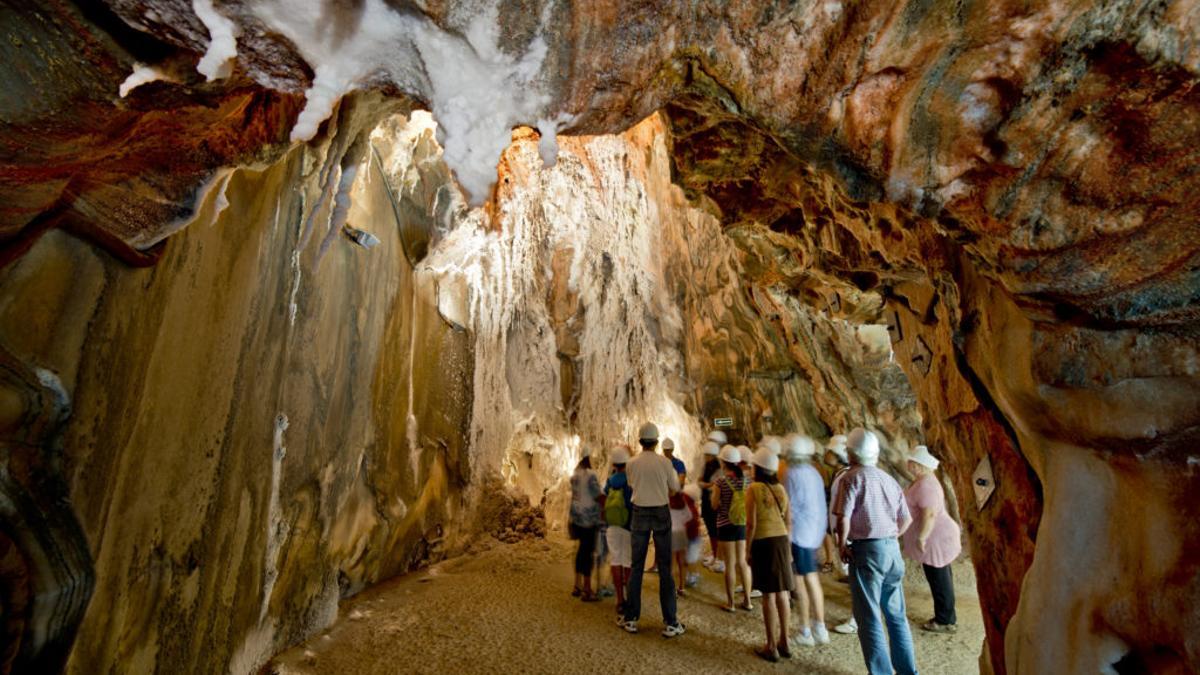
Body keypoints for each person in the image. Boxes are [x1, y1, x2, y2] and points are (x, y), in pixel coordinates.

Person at [834, 428, 917, 675]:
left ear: (850, 453)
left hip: (867, 552)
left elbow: (843, 517)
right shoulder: (888, 479)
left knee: (869, 617)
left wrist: (841, 545)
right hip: (892, 550)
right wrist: (890, 538)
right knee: (897, 616)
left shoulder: (852, 478)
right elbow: (907, 520)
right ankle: (907, 671)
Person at [623, 423, 685, 637]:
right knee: (665, 568)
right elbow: (675, 488)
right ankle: (670, 621)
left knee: (636, 566)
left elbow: (631, 485)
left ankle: (631, 618)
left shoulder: (631, 464)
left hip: (639, 511)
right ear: (656, 441)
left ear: (640, 441)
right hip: (660, 511)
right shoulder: (665, 463)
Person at [902, 445, 962, 634]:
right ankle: (946, 616)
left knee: (939, 579)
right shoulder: (923, 481)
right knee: (940, 577)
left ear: (919, 465)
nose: (908, 464)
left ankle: (945, 620)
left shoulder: (927, 485)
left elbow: (929, 515)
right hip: (935, 538)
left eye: (911, 462)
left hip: (935, 538)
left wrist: (921, 537)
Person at [746, 447, 795, 662]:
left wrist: (747, 550)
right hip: (782, 541)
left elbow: (751, 523)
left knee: (768, 596)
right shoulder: (781, 489)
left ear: (758, 468)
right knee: (783, 593)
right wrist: (789, 549)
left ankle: (771, 645)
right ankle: (786, 641)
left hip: (764, 542)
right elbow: (789, 521)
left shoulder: (754, 488)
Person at [783, 434, 830, 647]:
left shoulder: (791, 474)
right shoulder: (814, 473)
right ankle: (820, 628)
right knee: (813, 579)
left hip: (800, 534)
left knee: (801, 582)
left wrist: (787, 537)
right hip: (814, 533)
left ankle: (805, 630)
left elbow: (789, 509)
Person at [711, 444, 753, 612]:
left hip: (726, 525)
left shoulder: (720, 482)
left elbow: (714, 505)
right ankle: (748, 601)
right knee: (743, 562)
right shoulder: (747, 481)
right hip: (742, 524)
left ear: (723, 462)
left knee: (730, 564)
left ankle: (731, 603)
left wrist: (721, 503)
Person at [603, 446, 634, 621]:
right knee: (628, 563)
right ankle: (630, 599)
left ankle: (619, 600)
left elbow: (603, 498)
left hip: (612, 526)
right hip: (628, 526)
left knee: (616, 561)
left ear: (614, 463)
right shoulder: (630, 481)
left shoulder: (610, 481)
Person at [569, 455, 603, 602]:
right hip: (589, 520)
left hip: (576, 518)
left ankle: (577, 585)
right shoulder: (590, 476)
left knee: (580, 551)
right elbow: (597, 495)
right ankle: (587, 589)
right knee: (587, 553)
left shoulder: (575, 476)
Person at [697, 441, 724, 572]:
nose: (706, 457)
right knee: (711, 530)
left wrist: (704, 485)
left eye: (708, 455)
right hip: (706, 502)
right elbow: (700, 480)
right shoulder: (706, 466)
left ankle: (720, 558)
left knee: (716, 530)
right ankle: (715, 555)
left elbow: (715, 485)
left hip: (714, 503)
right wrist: (706, 484)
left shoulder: (719, 468)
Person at [669, 483, 698, 595]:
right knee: (681, 561)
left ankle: (671, 588)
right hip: (681, 533)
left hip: (671, 533)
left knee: (670, 562)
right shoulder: (682, 501)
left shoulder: (667, 501)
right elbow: (689, 517)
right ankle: (681, 586)